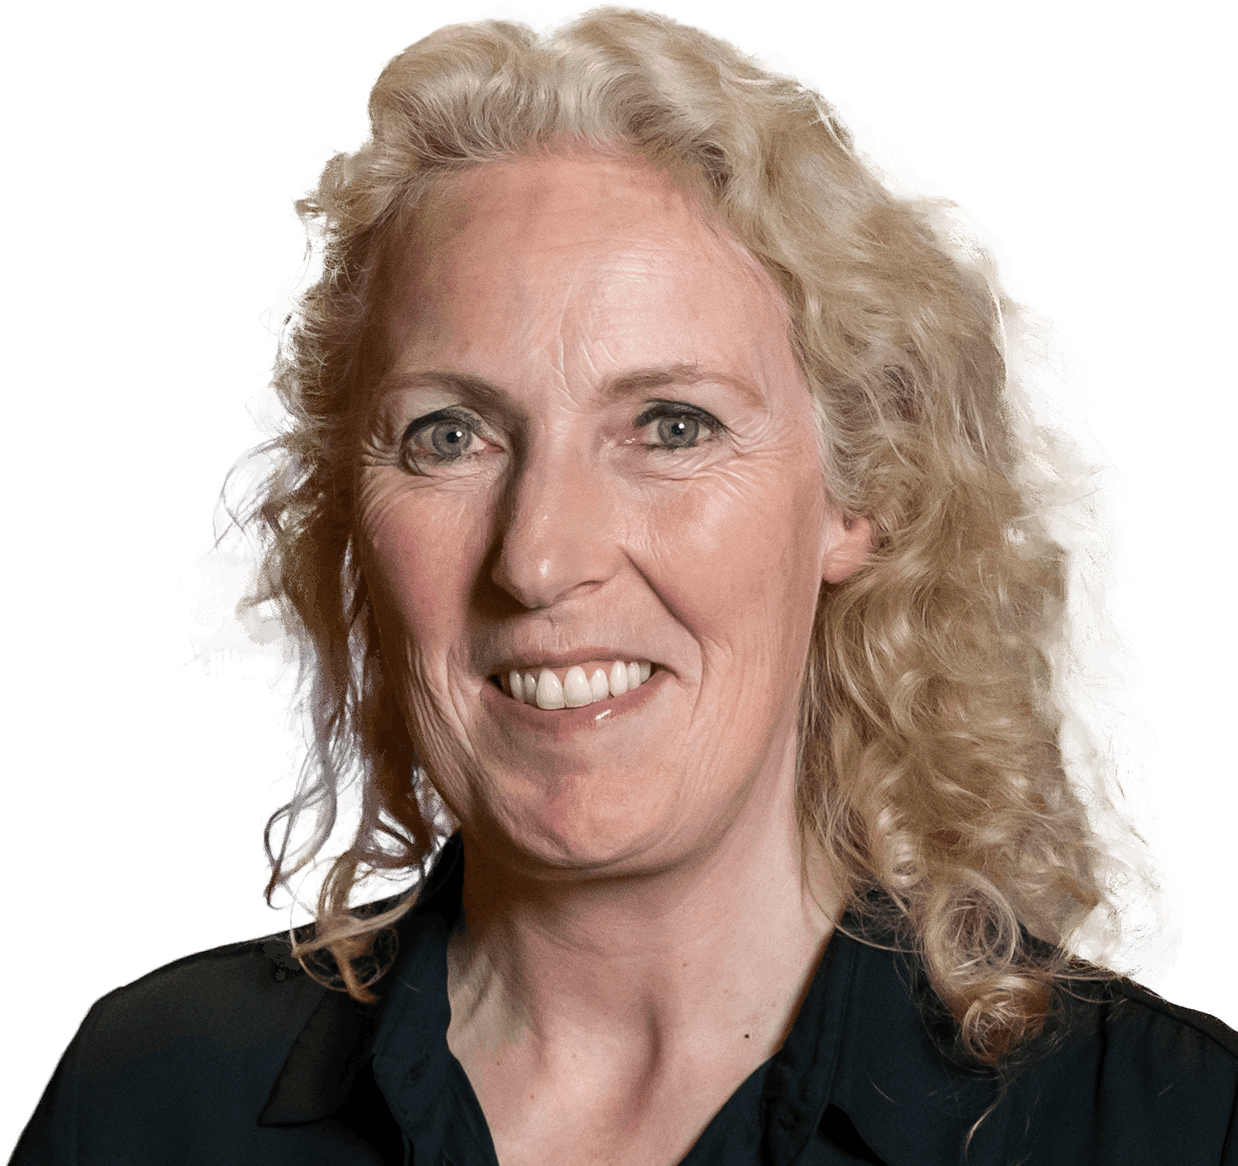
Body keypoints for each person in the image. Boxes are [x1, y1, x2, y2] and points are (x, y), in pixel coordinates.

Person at [10, 6, 1234, 1164]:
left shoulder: (1174, 1127)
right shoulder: (146, 1103)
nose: (538, 559)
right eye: (448, 435)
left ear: (860, 495)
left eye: (670, 424)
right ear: (346, 517)